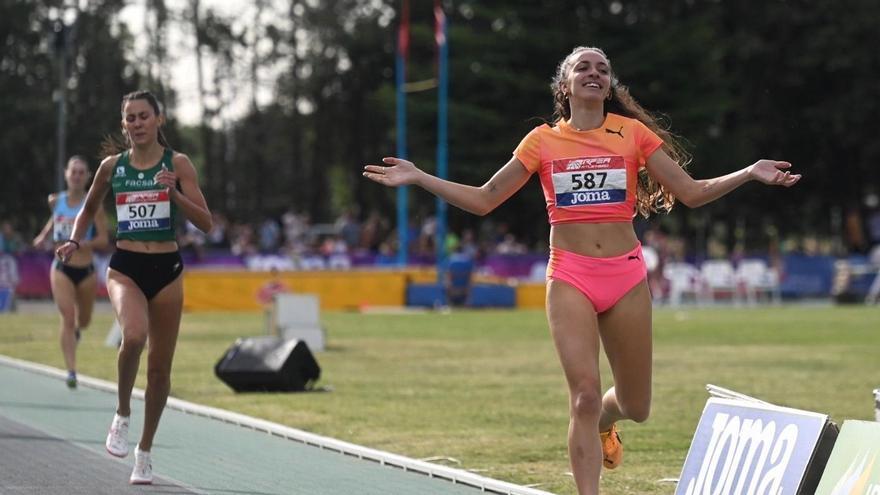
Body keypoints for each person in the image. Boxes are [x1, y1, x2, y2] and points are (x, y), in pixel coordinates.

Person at [363, 46, 800, 495]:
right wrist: (419, 177)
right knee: (585, 396)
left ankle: (608, 424)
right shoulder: (542, 141)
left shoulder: (630, 133)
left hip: (626, 276)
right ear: (564, 85)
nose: (595, 73)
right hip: (570, 274)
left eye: (603, 69)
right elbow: (484, 198)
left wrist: (748, 172)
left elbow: (690, 192)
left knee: (637, 404)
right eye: (583, 67)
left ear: (608, 85)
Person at [56, 90, 212, 485]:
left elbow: (206, 222)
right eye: (131, 118)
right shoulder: (112, 167)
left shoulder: (178, 163)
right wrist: (75, 239)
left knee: (160, 372)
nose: (138, 123)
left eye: (144, 116)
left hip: (167, 268)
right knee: (135, 335)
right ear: (124, 125)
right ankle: (122, 413)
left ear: (159, 120)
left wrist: (174, 193)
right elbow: (88, 210)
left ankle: (143, 453)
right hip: (125, 266)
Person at [32, 156, 109, 388]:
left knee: (83, 321)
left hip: (86, 271)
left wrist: (79, 243)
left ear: (87, 177)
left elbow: (103, 239)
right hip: (61, 268)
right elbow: (54, 221)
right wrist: (43, 236)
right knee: (67, 317)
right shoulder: (55, 201)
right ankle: (72, 371)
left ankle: (78, 330)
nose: (76, 176)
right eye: (73, 171)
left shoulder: (93, 205)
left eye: (81, 172)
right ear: (66, 174)